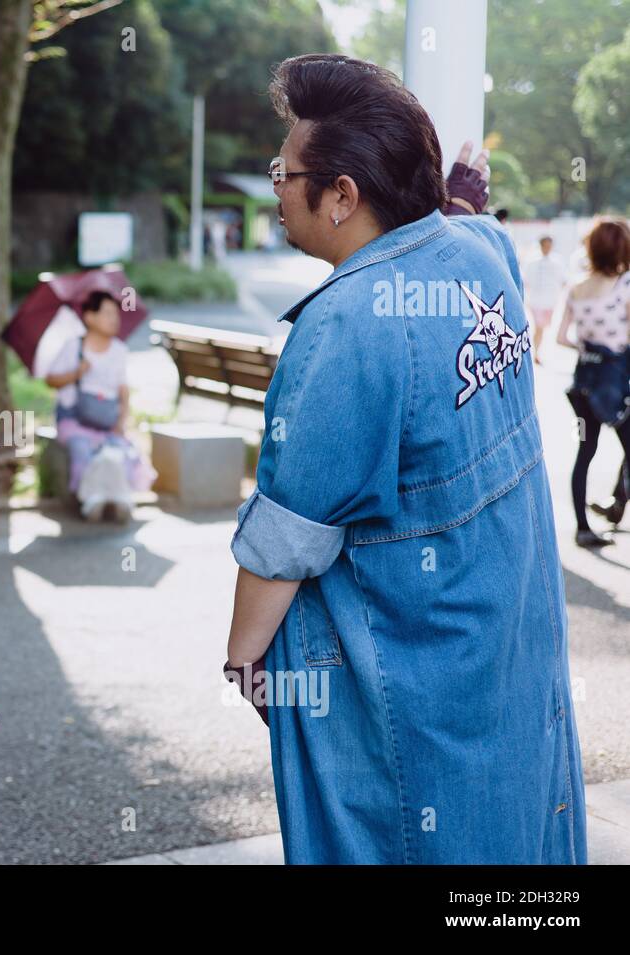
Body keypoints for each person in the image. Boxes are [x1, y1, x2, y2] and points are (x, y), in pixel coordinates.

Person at [223, 54, 583, 864]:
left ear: (343, 195)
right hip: (501, 651)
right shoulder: (481, 257)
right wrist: (456, 197)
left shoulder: (347, 324)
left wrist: (243, 659)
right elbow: (460, 226)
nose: (277, 186)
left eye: (286, 170)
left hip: (401, 678)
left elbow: (287, 535)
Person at [43, 290, 156, 521]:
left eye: (116, 313)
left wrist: (121, 421)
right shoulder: (73, 347)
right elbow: (51, 380)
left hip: (106, 420)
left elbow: (123, 390)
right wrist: (77, 372)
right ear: (89, 317)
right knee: (82, 449)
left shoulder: (119, 350)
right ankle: (90, 500)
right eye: (106, 313)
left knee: (121, 452)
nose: (114, 319)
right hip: (75, 420)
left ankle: (118, 500)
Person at [553, 218, 630, 548]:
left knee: (585, 453)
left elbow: (561, 338)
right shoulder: (625, 285)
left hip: (583, 384)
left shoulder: (576, 288)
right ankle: (617, 504)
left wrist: (589, 347)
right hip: (616, 386)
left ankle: (583, 527)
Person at [523, 235, 566, 363]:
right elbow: (526, 280)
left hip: (550, 300)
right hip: (535, 300)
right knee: (538, 327)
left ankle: (536, 350)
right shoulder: (532, 261)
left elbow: (563, 280)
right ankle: (535, 352)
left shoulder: (557, 261)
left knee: (541, 328)